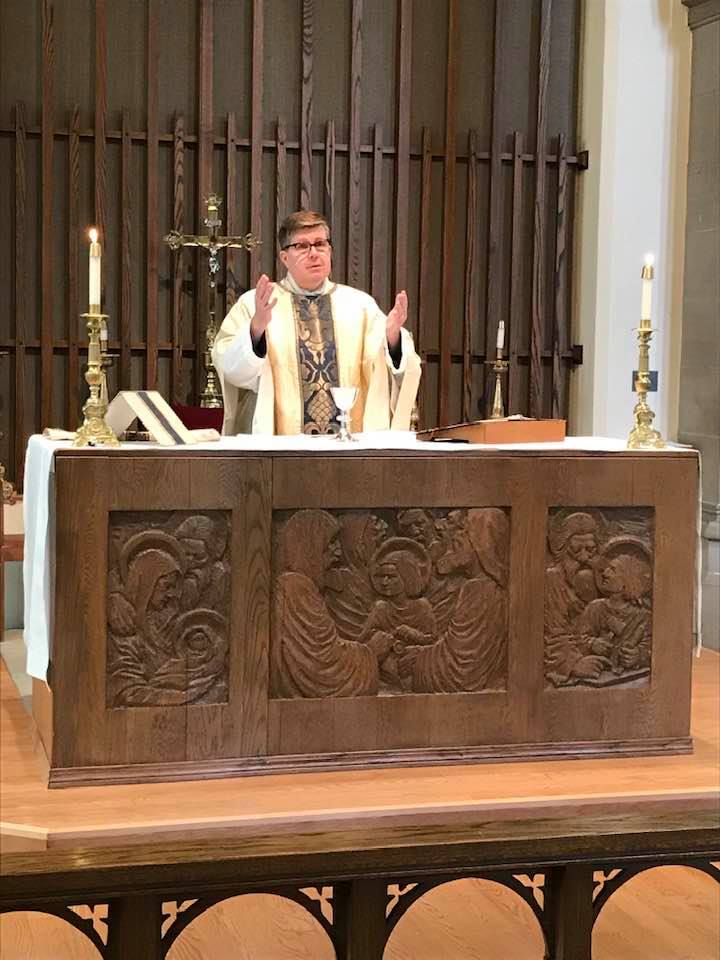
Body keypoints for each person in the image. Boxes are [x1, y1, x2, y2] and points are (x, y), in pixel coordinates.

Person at [212, 210, 421, 435]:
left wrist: (392, 339)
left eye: (320, 244)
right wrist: (256, 331)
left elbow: (394, 370)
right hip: (281, 447)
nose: (313, 253)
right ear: (284, 257)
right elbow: (231, 371)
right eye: (302, 246)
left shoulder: (360, 306)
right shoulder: (256, 304)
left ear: (329, 250)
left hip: (348, 445)